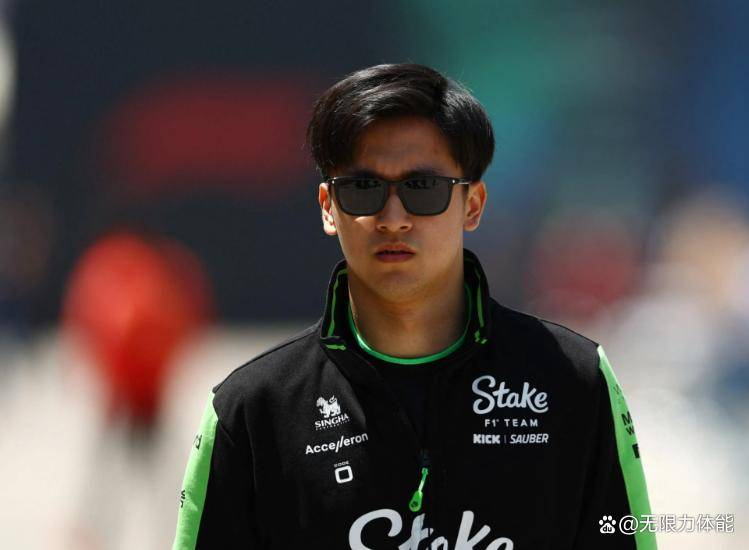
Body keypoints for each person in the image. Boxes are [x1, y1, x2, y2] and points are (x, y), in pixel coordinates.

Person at [172, 63, 656, 549]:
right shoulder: (252, 410)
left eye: (423, 189)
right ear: (327, 207)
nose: (394, 217)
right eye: (363, 189)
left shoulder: (573, 379)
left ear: (473, 204)